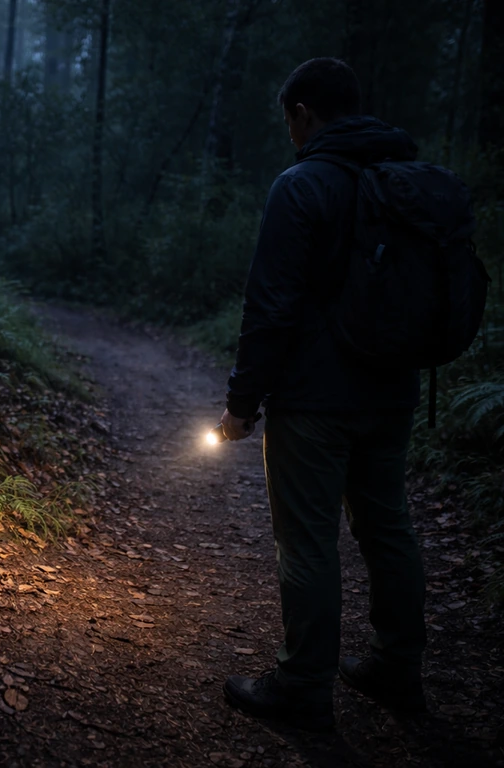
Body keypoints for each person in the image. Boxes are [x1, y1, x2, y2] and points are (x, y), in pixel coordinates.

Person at [218, 57, 427, 732]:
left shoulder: (302, 184)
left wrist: (242, 404)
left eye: (289, 122)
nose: (289, 134)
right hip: (394, 393)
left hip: (315, 401)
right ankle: (398, 669)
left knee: (308, 542)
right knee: (387, 528)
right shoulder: (403, 180)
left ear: (303, 114)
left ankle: (303, 686)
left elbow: (271, 306)